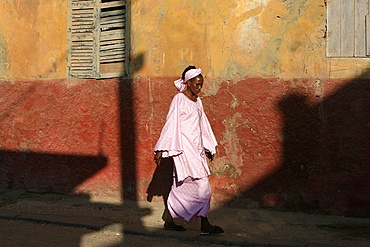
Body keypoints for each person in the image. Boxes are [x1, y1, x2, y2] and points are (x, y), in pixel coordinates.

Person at [153, 65, 224, 235]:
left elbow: (203, 125)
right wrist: (161, 148)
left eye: (201, 84)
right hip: (184, 151)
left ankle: (169, 221)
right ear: (188, 82)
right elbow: (171, 123)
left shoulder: (198, 102)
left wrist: (209, 146)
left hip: (197, 151)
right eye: (197, 84)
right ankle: (205, 223)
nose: (199, 88)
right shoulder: (179, 99)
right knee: (203, 186)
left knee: (181, 187)